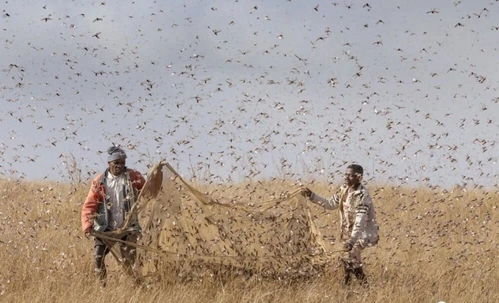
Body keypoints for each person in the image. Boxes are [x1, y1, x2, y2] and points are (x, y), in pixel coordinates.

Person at [300, 164, 379, 285]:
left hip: (362, 233)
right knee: (349, 259)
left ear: (359, 177)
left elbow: (360, 221)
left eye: (350, 175)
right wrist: (312, 195)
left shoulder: (363, 196)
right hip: (349, 232)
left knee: (351, 256)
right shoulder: (344, 190)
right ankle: (355, 287)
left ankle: (355, 287)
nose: (347, 177)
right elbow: (330, 203)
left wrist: (351, 241)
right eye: (346, 174)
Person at [81, 146, 145, 283]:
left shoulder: (133, 176)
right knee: (98, 256)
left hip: (127, 227)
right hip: (105, 228)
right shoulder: (99, 181)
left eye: (122, 163)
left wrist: (157, 172)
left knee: (130, 262)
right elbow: (90, 204)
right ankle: (102, 287)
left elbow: (148, 189)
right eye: (116, 163)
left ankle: (137, 287)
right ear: (109, 163)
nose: (119, 166)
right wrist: (87, 225)